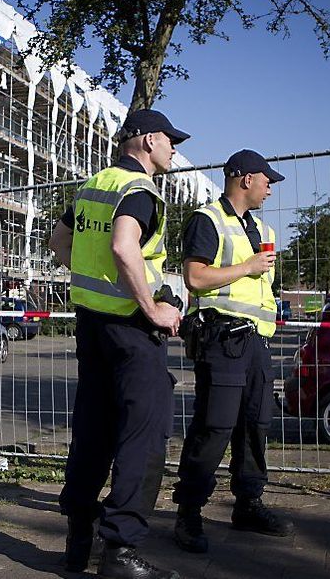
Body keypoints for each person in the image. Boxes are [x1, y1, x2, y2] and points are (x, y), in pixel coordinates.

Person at [49, 109, 187, 579]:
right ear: (148, 140)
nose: (173, 149)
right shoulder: (139, 189)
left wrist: (95, 285)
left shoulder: (93, 186)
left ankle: (77, 541)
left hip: (92, 327)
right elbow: (124, 247)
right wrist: (151, 307)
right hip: (132, 331)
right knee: (143, 436)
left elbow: (60, 241)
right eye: (170, 140)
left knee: (92, 431)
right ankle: (121, 553)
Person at [172, 149, 295, 554]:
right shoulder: (208, 220)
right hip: (223, 339)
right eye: (267, 181)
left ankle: (249, 503)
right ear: (245, 179)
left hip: (258, 341)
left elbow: (264, 286)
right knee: (216, 426)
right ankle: (188, 511)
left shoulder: (260, 227)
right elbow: (195, 277)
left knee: (257, 423)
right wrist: (247, 267)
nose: (270, 189)